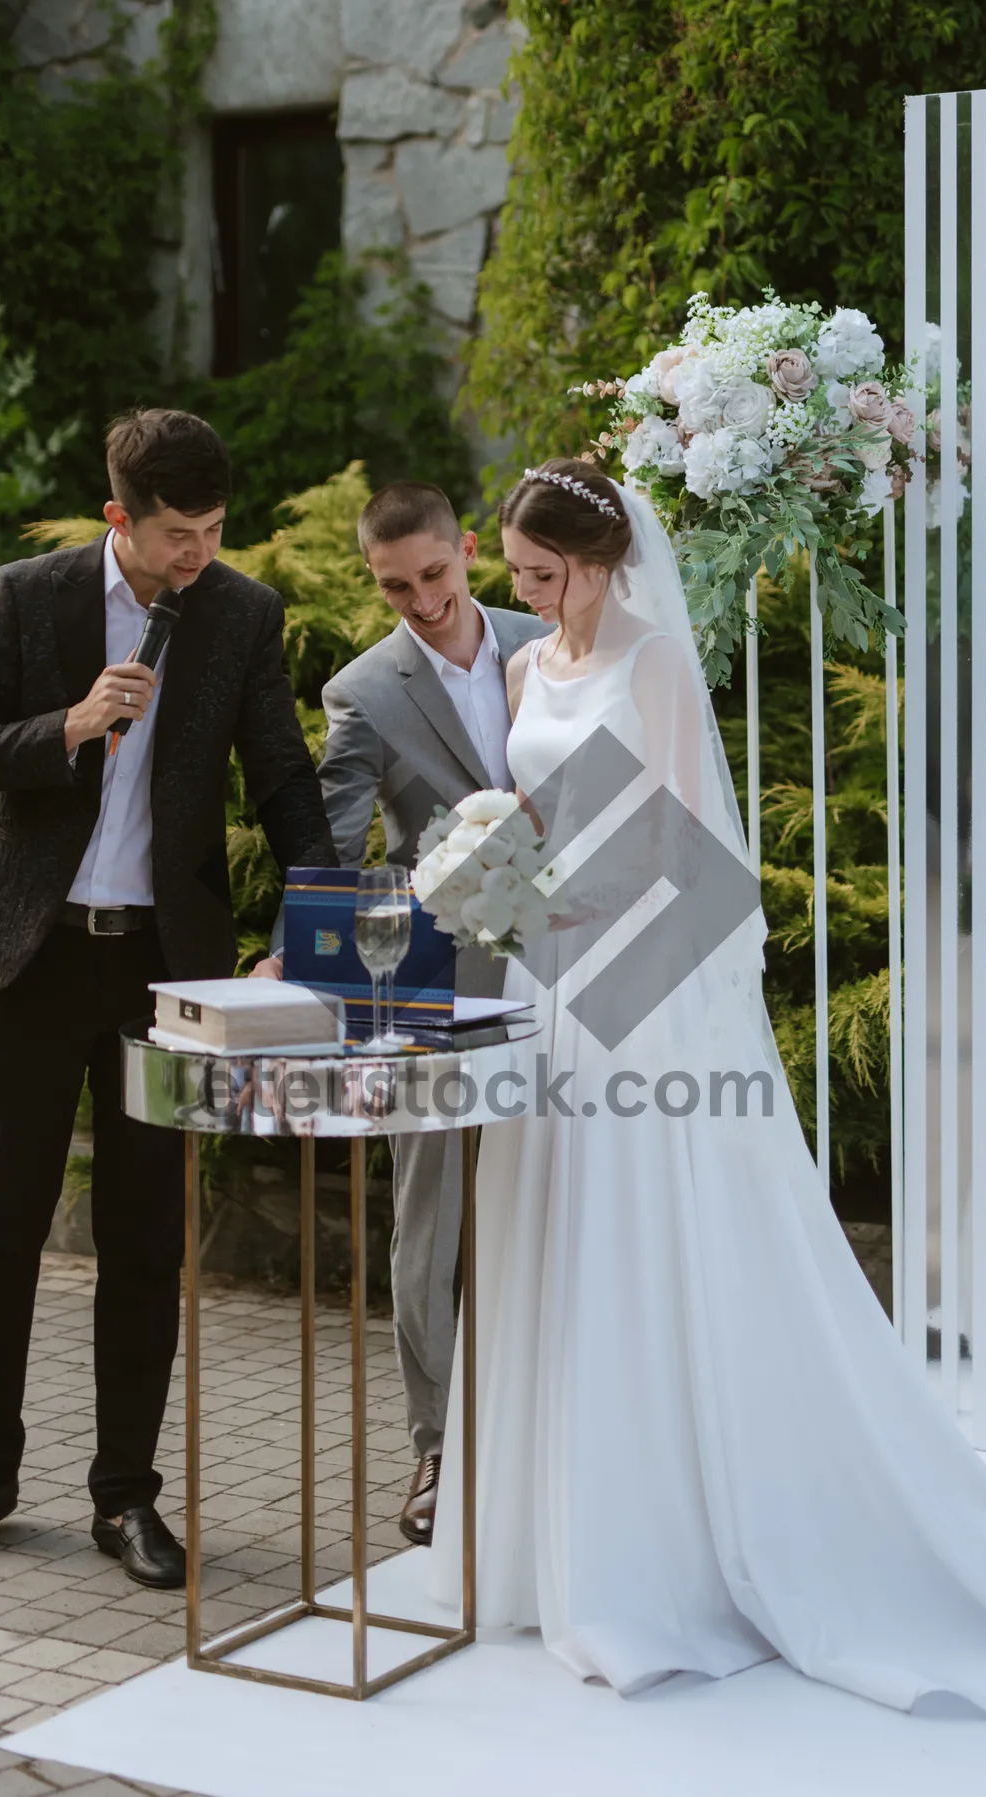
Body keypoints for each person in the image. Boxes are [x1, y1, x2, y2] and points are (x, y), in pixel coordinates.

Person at [429, 459, 986, 1716]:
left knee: (638, 1247)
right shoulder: (520, 671)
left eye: (544, 574)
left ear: (604, 563)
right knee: (544, 1246)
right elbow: (528, 805)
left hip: (643, 996)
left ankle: (657, 1556)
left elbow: (688, 844)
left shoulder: (653, 665)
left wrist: (559, 887)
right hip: (548, 995)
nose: (526, 595)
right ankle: (535, 1545)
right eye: (516, 573)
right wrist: (487, 865)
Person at [0, 409, 336, 1586]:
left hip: (165, 967)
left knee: (147, 1238)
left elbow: (283, 773)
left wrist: (324, 918)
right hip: (28, 956)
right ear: (118, 518)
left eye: (212, 529)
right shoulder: (28, 596)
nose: (196, 552)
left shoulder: (244, 615)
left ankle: (124, 1500)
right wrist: (70, 725)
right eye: (175, 532)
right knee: (1, 1231)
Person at [253, 481, 545, 1545]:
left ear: (466, 552)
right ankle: (435, 1450)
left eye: (434, 575)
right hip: (443, 975)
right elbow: (333, 835)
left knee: (560, 1192)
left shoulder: (547, 630)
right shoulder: (363, 689)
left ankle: (547, 1424)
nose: (420, 600)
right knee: (432, 1213)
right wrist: (304, 937)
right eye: (395, 586)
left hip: (572, 964)